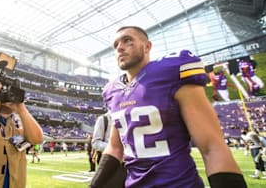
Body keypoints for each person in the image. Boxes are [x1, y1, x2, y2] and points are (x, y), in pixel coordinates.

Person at [90, 26, 247, 188]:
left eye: (127, 40)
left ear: (147, 46)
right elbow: (115, 148)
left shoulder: (170, 73)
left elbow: (212, 147)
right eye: (115, 45)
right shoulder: (112, 91)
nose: (120, 47)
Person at [92, 113, 126, 188]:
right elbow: (95, 142)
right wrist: (114, 148)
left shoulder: (128, 114)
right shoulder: (104, 119)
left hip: (129, 164)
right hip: (111, 162)